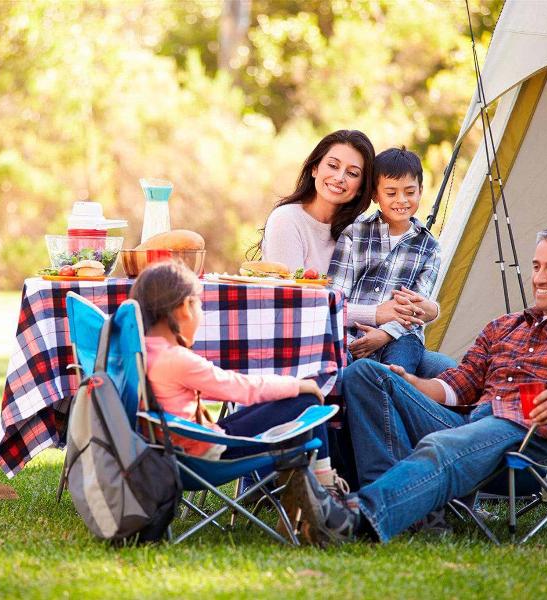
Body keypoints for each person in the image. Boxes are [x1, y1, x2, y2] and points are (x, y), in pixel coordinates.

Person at [337, 225, 547, 542]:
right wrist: (411, 383)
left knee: (444, 444)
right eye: (536, 266)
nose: (540, 278)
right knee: (365, 374)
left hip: (536, 441)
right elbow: (459, 385)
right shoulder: (503, 326)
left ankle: (353, 516)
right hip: (472, 424)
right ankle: (410, 514)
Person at [129, 261, 358, 544]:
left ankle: (309, 501)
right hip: (201, 457)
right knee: (306, 398)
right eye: (200, 306)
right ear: (184, 307)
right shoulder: (175, 360)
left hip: (175, 449)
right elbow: (238, 388)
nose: (201, 314)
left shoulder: (141, 351)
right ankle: (324, 500)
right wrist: (297, 384)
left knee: (291, 402)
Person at [329, 146, 447, 374]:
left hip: (401, 337)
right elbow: (335, 297)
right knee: (347, 375)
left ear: (421, 190)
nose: (401, 200)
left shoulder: (429, 248)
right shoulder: (355, 234)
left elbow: (417, 308)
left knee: (395, 377)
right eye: (391, 193)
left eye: (410, 192)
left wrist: (384, 334)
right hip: (351, 334)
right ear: (375, 194)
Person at [252, 129, 375, 275]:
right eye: (333, 166)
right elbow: (293, 292)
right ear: (314, 169)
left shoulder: (364, 229)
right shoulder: (286, 219)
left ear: (362, 187)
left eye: (352, 173)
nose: (339, 177)